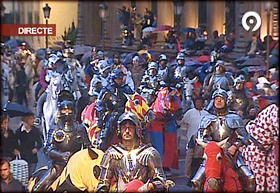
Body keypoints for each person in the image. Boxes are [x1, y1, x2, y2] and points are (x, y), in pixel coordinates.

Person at [191, 88, 256, 192]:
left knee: (250, 178)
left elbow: (244, 137)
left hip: (231, 153)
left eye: (221, 99)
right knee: (196, 181)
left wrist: (235, 146)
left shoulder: (234, 118)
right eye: (216, 99)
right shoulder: (207, 119)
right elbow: (200, 137)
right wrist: (212, 146)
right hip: (213, 154)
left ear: (226, 101)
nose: (219, 101)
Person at [97, 111, 170, 192]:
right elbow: (103, 182)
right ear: (119, 130)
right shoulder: (111, 153)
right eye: (124, 127)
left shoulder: (149, 153)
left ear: (137, 129)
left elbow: (162, 181)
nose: (127, 131)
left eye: (130, 127)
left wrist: (151, 185)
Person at [32, 98, 88, 192]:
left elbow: (87, 147)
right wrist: (60, 155)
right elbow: (47, 149)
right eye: (64, 110)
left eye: (69, 110)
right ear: (60, 111)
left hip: (76, 164)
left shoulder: (80, 128)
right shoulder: (54, 128)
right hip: (58, 164)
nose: (67, 112)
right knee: (37, 189)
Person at [95, 69, 133, 151]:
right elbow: (99, 104)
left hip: (125, 112)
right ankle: (103, 143)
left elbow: (133, 100)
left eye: (120, 79)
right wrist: (101, 115)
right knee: (110, 122)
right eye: (117, 79)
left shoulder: (126, 89)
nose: (119, 81)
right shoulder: (107, 90)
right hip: (111, 112)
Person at [15, 113, 42, 178]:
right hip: (23, 156)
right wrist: (17, 150)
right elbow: (15, 142)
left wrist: (37, 148)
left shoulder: (35, 131)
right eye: (31, 119)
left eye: (33, 118)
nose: (33, 120)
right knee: (24, 176)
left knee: (31, 176)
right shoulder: (20, 131)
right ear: (26, 120)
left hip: (32, 157)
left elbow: (39, 142)